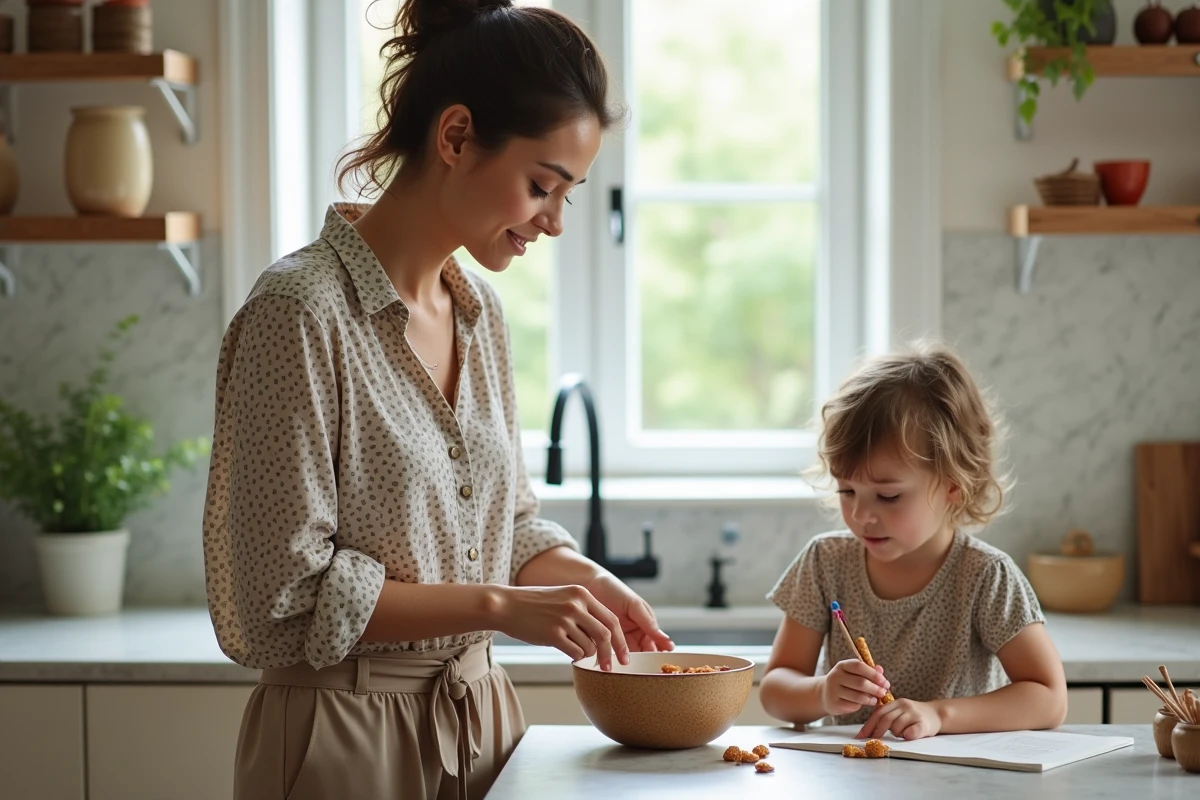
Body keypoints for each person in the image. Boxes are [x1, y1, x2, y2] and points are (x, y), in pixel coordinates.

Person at [201, 2, 672, 797]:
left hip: (482, 723)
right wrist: (499, 607)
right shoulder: (300, 313)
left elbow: (504, 526)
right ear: (455, 137)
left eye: (569, 195)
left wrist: (588, 580)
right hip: (341, 735)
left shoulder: (480, 314)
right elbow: (281, 594)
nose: (555, 222)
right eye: (541, 186)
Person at [759, 341, 1067, 741]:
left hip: (957, 774)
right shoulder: (824, 562)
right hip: (851, 772)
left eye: (888, 496)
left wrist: (939, 715)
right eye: (847, 491)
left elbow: (1049, 698)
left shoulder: (986, 576)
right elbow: (775, 690)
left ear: (953, 485)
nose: (861, 515)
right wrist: (821, 693)